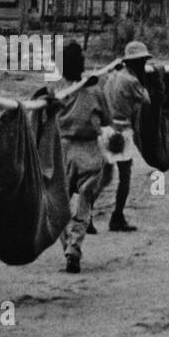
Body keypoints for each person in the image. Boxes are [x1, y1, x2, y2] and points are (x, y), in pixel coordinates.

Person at [54, 41, 109, 272]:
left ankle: (68, 245)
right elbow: (107, 119)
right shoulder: (95, 90)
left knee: (60, 205)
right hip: (89, 150)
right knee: (85, 201)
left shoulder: (55, 92)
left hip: (61, 151)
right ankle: (74, 246)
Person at [101, 40, 152, 232]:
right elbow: (146, 100)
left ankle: (86, 214)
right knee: (125, 175)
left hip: (106, 128)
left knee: (102, 176)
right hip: (122, 130)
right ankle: (117, 216)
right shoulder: (132, 81)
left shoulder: (111, 76)